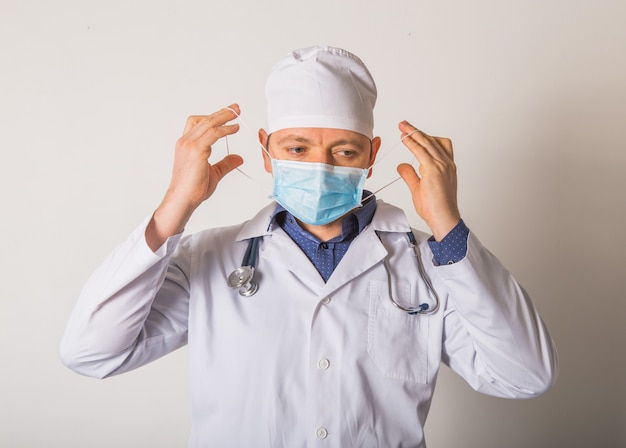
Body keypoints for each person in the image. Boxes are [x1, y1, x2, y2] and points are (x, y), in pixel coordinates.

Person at [60, 46, 558, 447]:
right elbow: (90, 352)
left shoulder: (431, 263)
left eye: (344, 151)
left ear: (372, 155)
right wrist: (176, 205)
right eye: (297, 149)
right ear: (265, 150)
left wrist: (447, 226)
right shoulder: (205, 259)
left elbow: (524, 376)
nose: (320, 167)